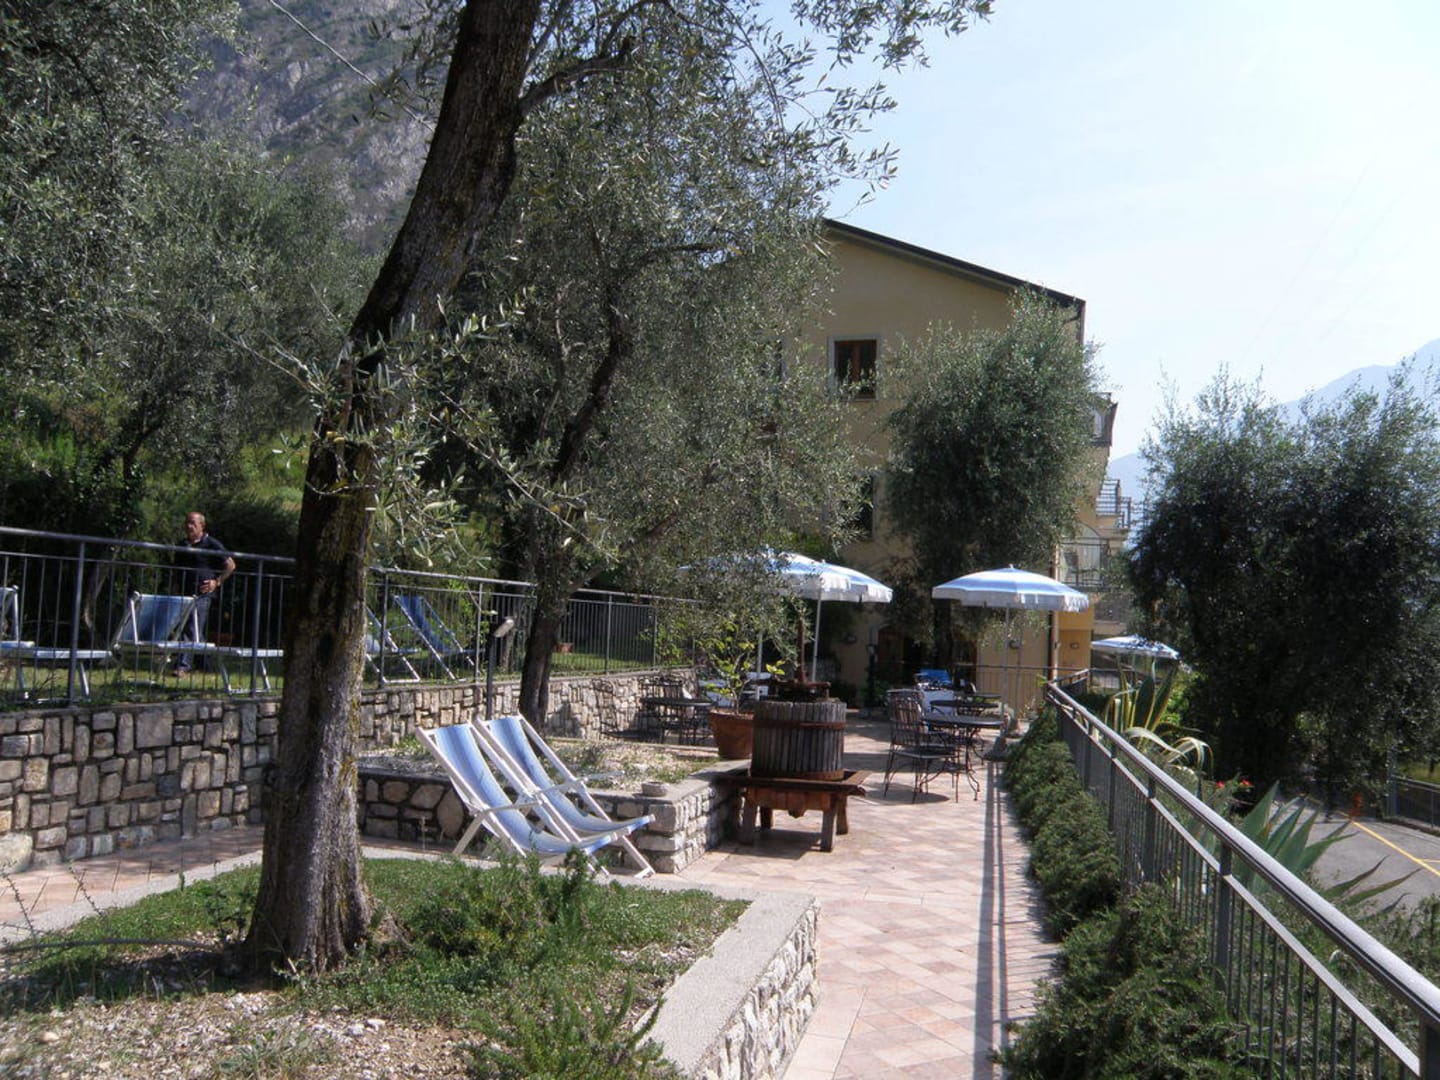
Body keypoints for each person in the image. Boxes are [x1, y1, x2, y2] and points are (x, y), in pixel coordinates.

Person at [171, 511, 235, 676]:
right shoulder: (182, 545)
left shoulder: (211, 544)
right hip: (184, 593)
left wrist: (216, 582)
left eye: (193, 523)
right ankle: (205, 664)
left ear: (202, 525)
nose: (189, 526)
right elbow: (177, 568)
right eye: (187, 522)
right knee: (193, 630)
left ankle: (183, 666)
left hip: (202, 594)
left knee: (191, 628)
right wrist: (176, 587)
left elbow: (230, 565)